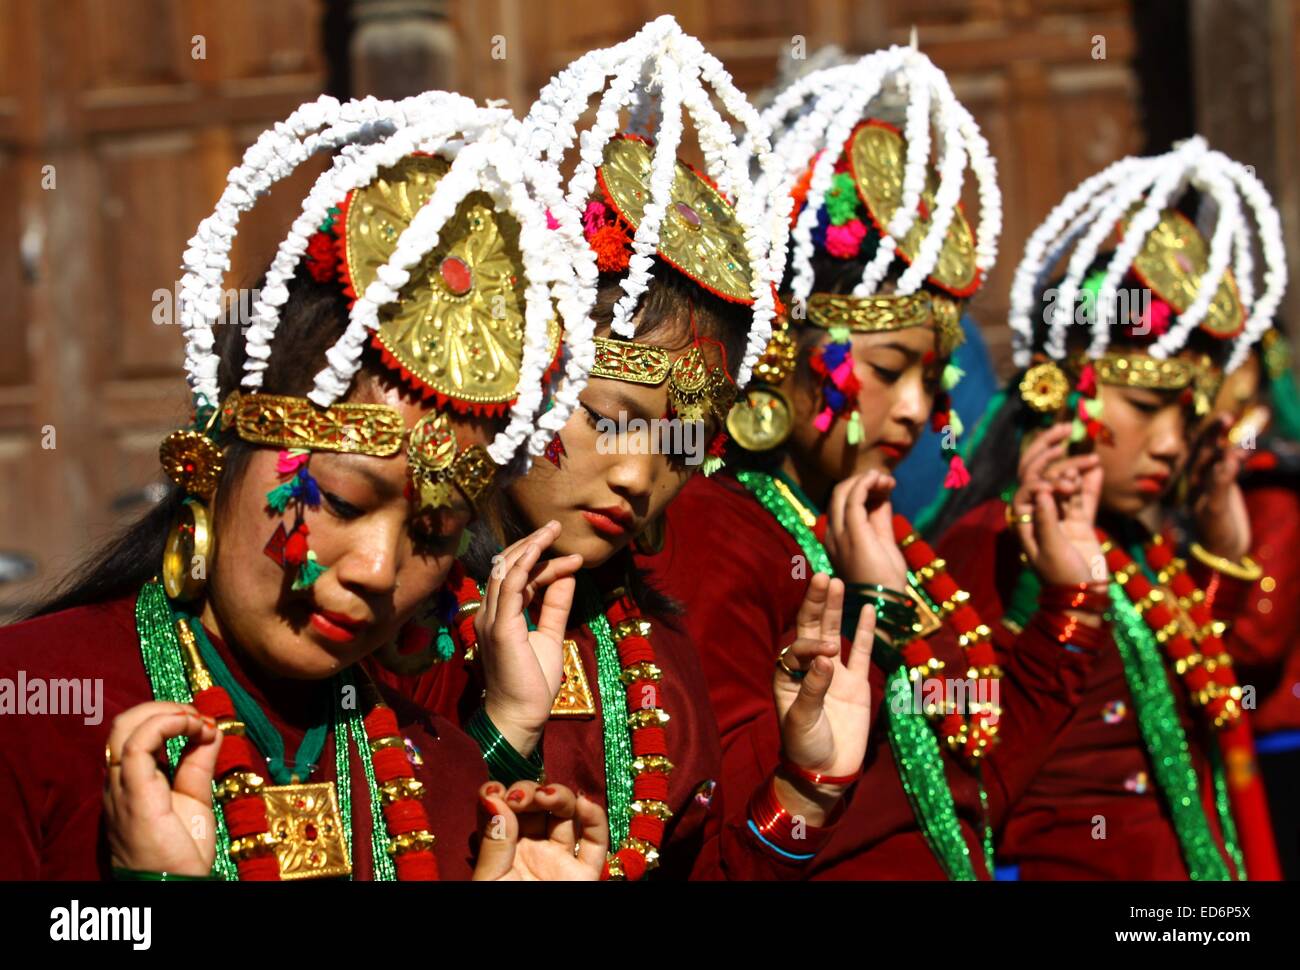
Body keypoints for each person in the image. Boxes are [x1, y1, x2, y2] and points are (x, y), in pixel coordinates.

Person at [0, 92, 609, 881]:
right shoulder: (35, 701)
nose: (378, 569)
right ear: (216, 459)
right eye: (344, 502)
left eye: (432, 534)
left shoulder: (445, 778)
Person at [369, 17, 876, 881]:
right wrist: (503, 733)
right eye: (607, 420)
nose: (640, 476)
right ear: (526, 380)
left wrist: (802, 791)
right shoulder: (392, 615)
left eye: (680, 449)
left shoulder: (654, 649)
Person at [638, 46, 1107, 880]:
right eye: (888, 372)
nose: (920, 411)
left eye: (932, 377)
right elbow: (737, 839)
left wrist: (1070, 604)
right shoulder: (718, 536)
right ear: (782, 355)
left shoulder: (880, 537)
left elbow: (986, 784)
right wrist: (873, 617)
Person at [929, 136, 1288, 879]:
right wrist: (1053, 596)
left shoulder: (1133, 545)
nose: (1169, 443)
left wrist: (1224, 537)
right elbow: (950, 741)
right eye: (1146, 407)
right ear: (1064, 392)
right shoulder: (993, 540)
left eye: (1184, 419)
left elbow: (1222, 678)